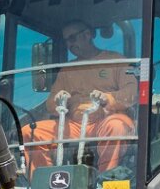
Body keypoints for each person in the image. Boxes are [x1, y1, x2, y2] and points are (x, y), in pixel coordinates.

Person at [24, 20, 137, 172]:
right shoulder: (67, 70)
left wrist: (108, 98)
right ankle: (46, 181)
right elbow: (50, 103)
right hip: (75, 125)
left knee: (116, 127)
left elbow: (131, 92)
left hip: (107, 119)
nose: (69, 45)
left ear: (87, 34)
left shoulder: (116, 60)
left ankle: (107, 179)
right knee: (30, 132)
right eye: (66, 41)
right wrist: (58, 101)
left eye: (72, 38)